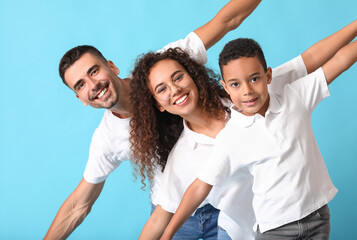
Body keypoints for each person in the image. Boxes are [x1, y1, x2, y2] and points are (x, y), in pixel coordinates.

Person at [43, 1, 263, 239]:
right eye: (81, 85)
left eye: (94, 71)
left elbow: (227, 20)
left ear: (112, 66)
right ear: (81, 99)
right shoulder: (107, 138)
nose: (93, 84)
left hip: (230, 201)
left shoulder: (163, 70)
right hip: (172, 214)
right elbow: (79, 205)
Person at [129, 18, 357, 239]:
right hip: (243, 231)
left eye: (178, 77)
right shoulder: (190, 152)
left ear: (193, 76)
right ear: (157, 104)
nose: (174, 89)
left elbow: (312, 58)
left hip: (304, 214)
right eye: (162, 89)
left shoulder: (250, 91)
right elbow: (164, 214)